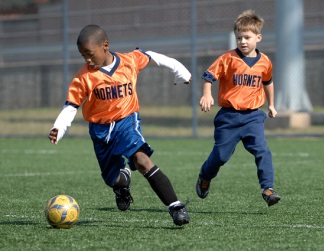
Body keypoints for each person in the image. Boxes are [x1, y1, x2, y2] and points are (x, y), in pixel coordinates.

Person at [48, 24, 191, 225]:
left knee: (141, 160)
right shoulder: (84, 77)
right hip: (100, 130)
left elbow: (152, 56)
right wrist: (58, 127)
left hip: (126, 120)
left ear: (105, 45)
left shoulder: (129, 61)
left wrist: (181, 72)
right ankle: (123, 182)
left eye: (90, 54)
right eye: (83, 56)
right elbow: (71, 105)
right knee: (112, 179)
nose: (87, 60)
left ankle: (176, 207)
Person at [196, 10, 281, 207]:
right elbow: (209, 76)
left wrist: (271, 105)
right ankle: (205, 176)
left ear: (258, 37)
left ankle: (267, 188)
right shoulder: (228, 59)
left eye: (247, 37)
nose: (242, 41)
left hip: (253, 116)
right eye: (239, 38)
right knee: (221, 156)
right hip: (229, 117)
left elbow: (268, 82)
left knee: (263, 151)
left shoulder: (265, 62)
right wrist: (207, 94)